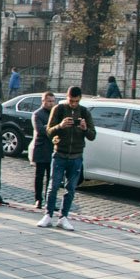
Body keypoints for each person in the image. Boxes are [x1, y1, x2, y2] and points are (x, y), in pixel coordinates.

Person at [38, 85, 96, 231]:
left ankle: (63, 217)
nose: (73, 104)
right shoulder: (58, 109)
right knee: (54, 186)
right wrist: (61, 126)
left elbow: (92, 135)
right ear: (66, 97)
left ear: (80, 99)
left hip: (76, 156)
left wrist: (85, 129)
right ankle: (48, 215)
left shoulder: (84, 112)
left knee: (70, 188)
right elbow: (49, 131)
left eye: (76, 101)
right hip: (60, 154)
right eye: (71, 101)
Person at [29, 91, 56, 209]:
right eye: (49, 101)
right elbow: (40, 130)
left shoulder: (55, 113)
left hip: (53, 148)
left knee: (52, 177)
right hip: (41, 148)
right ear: (43, 101)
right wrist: (52, 128)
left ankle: (49, 201)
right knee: (39, 176)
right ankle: (38, 199)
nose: (51, 103)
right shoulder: (37, 114)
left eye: (53, 101)